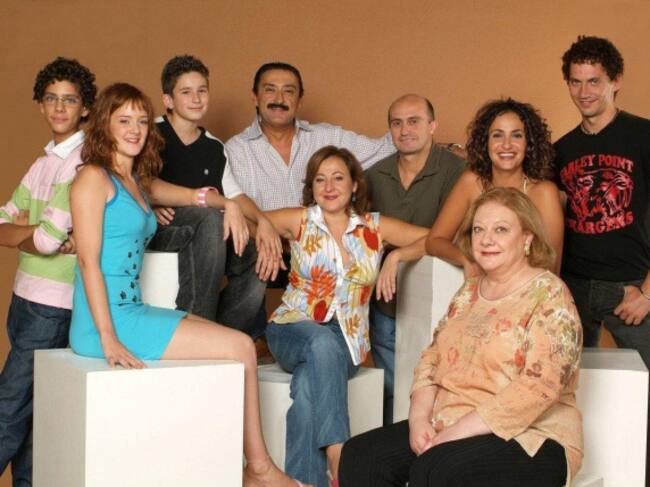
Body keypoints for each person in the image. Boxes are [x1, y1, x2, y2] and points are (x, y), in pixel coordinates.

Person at [69, 83, 307, 487]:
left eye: (141, 121)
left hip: (132, 309)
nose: (135, 129)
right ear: (104, 126)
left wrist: (227, 203)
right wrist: (108, 338)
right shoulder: (93, 178)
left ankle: (248, 467)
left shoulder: (136, 181)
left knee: (232, 342)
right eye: (124, 120)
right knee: (241, 346)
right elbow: (88, 262)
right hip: (106, 322)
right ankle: (260, 469)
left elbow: (191, 196)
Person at [339, 187, 583, 487]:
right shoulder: (470, 291)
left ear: (527, 238)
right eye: (479, 229)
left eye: (501, 229)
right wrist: (419, 419)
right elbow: (432, 358)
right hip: (451, 419)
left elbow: (539, 388)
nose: (487, 239)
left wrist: (454, 434)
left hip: (532, 435)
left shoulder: (550, 294)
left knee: (438, 469)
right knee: (361, 456)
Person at [259, 145, 429, 487]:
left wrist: (395, 258)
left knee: (308, 388)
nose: (329, 186)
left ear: (354, 185)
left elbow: (433, 239)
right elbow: (248, 219)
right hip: (292, 327)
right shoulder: (300, 220)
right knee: (320, 342)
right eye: (320, 179)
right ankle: (338, 452)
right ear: (311, 187)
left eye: (338, 178)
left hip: (347, 341)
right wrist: (264, 227)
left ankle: (303, 483)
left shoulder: (374, 227)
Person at [554, 35, 650, 484]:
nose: (584, 91)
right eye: (576, 82)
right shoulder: (561, 150)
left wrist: (648, 292)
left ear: (616, 81)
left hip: (631, 287)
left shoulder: (644, 136)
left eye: (594, 81)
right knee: (563, 393)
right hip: (573, 289)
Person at [0, 57, 96, 486]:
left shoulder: (79, 161)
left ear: (85, 108)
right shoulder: (44, 162)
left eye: (70, 100)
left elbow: (44, 241)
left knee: (10, 406)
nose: (59, 108)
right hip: (25, 297)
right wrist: (34, 232)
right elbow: (7, 223)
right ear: (40, 104)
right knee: (30, 409)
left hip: (52, 304)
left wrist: (29, 233)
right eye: (52, 99)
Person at [148, 55, 282, 336]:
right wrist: (151, 203)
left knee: (256, 250)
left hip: (205, 236)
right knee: (210, 219)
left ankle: (225, 333)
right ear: (168, 100)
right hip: (160, 230)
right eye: (186, 92)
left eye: (202, 90)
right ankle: (197, 329)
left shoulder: (214, 147)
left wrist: (263, 221)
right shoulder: (149, 133)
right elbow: (138, 182)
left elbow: (235, 194)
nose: (196, 99)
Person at [365, 94, 465, 425]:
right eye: (396, 123)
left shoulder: (457, 172)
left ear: (432, 125)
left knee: (436, 394)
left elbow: (454, 237)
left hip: (441, 306)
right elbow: (362, 236)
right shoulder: (374, 176)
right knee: (392, 394)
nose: (405, 130)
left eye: (414, 121)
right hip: (387, 304)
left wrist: (397, 251)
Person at [225, 62, 395, 212]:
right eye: (270, 90)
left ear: (300, 101)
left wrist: (409, 120)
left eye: (289, 91)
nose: (279, 99)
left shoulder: (328, 137)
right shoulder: (236, 150)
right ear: (255, 97)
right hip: (261, 239)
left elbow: (386, 147)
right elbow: (234, 213)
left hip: (325, 239)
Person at [424, 98, 564, 277]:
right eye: (497, 135)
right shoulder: (471, 182)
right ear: (485, 142)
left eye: (516, 135)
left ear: (529, 143)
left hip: (529, 290)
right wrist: (467, 259)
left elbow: (552, 268)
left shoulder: (544, 192)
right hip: (479, 286)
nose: (506, 144)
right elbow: (434, 241)